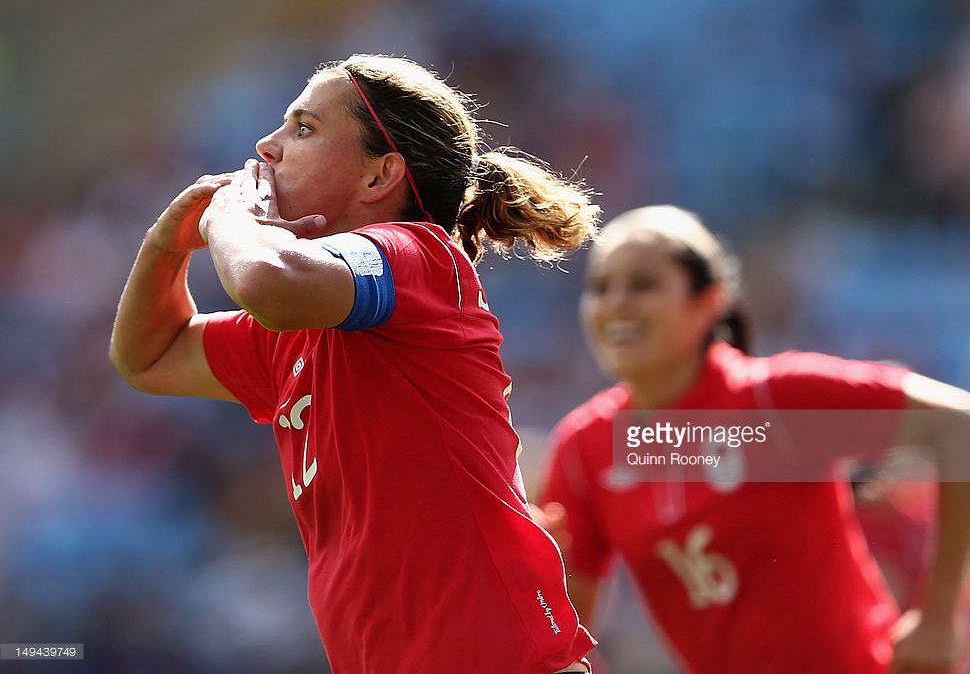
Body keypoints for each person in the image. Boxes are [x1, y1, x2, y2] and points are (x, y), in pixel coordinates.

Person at [109, 54, 601, 673]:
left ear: (379, 178)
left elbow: (263, 279)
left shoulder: (420, 255)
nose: (267, 145)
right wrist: (164, 243)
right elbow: (146, 355)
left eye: (304, 128)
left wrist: (235, 219)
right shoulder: (290, 334)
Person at [534, 205, 970, 673]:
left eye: (643, 285)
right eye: (600, 288)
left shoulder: (777, 401)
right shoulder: (585, 448)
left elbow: (967, 426)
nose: (616, 304)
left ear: (708, 302)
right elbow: (564, 633)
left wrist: (937, 616)